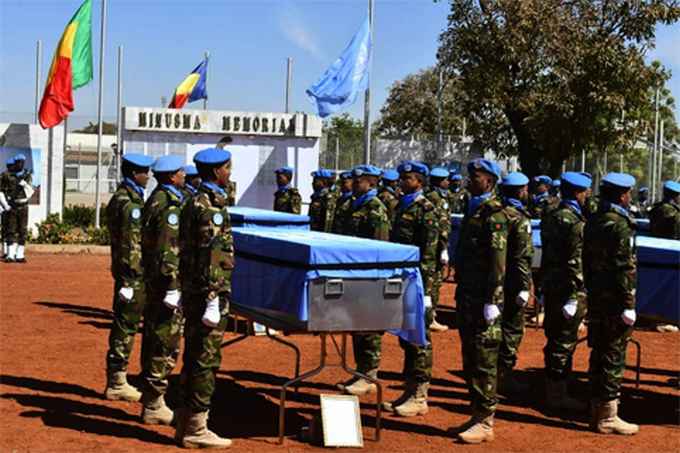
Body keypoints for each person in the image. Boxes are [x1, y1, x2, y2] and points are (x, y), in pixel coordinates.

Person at [175, 147, 234, 448]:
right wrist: (214, 296)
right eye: (227, 168)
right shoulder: (209, 206)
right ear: (215, 171)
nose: (229, 173)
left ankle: (185, 420)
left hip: (194, 289)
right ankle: (197, 428)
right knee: (205, 360)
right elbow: (212, 253)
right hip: (208, 293)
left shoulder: (192, 200)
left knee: (193, 354)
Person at [453, 158, 506, 444]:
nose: (470, 180)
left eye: (476, 177)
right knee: (470, 356)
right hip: (468, 293)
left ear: (490, 181)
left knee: (484, 358)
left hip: (485, 297)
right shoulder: (473, 208)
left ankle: (486, 422)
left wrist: (493, 299)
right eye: (470, 175)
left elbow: (498, 261)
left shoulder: (494, 214)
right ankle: (476, 415)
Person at [583, 172, 639, 435]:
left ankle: (595, 409)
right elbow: (624, 267)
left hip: (597, 296)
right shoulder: (620, 224)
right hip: (615, 300)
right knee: (614, 354)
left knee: (598, 351)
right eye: (627, 193)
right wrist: (628, 302)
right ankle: (608, 416)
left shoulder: (594, 220)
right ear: (622, 195)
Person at [383, 161, 438, 417]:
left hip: (419, 282)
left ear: (419, 181)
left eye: (408, 178)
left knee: (420, 339)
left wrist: (426, 291)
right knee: (407, 338)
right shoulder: (400, 205)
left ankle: (420, 395)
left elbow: (429, 254)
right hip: (402, 278)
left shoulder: (426, 210)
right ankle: (409, 389)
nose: (402, 181)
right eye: (402, 177)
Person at [104, 153, 155, 402]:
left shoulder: (124, 198)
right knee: (126, 326)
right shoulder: (130, 205)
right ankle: (117, 381)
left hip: (128, 273)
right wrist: (130, 277)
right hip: (132, 276)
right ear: (135, 173)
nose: (148, 176)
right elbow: (130, 245)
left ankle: (118, 378)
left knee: (126, 325)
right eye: (145, 172)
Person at [139, 155, 186, 425]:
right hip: (165, 283)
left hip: (154, 281)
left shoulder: (157, 198)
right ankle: (155, 403)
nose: (183, 176)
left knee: (155, 338)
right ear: (172, 176)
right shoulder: (168, 205)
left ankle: (151, 401)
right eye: (181, 173)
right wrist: (172, 286)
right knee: (164, 342)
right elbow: (169, 248)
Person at [540, 172, 592, 412]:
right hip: (568, 288)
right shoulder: (575, 222)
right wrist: (574, 295)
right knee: (563, 341)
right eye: (585, 192)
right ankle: (556, 393)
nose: (587, 195)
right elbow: (575, 262)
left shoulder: (552, 215)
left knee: (554, 337)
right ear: (578, 192)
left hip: (552, 284)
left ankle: (552, 383)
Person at [337, 165, 390, 396]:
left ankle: (370, 374)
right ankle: (361, 371)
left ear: (371, 183)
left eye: (359, 181)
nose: (354, 184)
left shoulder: (375, 209)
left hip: (369, 277)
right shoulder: (352, 205)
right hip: (352, 273)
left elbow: (379, 247)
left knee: (368, 327)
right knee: (357, 326)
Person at [497, 172, 533, 396]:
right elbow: (521, 257)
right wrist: (524, 286)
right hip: (512, 283)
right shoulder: (519, 218)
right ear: (521, 191)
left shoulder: (496, 213)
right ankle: (504, 377)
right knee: (511, 329)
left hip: (496, 281)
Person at [425, 167, 452, 333]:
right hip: (435, 247)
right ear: (439, 181)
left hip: (431, 246)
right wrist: (443, 248)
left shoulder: (429, 196)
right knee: (433, 283)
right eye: (445, 180)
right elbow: (442, 226)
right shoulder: (438, 199)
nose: (448, 182)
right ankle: (430, 318)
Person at [2, 154, 34, 263]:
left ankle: (20, 255)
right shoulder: (7, 175)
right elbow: (1, 190)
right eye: (18, 162)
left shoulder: (26, 175)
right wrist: (6, 205)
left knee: (22, 231)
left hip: (23, 206)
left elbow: (31, 191)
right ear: (15, 163)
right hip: (13, 205)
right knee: (11, 230)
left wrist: (25, 185)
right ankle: (10, 254)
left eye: (22, 162)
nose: (20, 164)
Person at [0, 157, 15, 259]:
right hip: (4, 206)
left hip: (9, 206)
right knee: (7, 229)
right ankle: (6, 251)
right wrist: (5, 205)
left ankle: (7, 251)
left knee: (7, 229)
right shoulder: (5, 176)